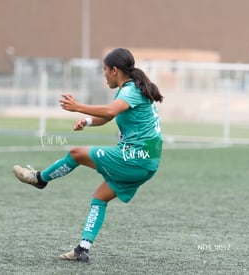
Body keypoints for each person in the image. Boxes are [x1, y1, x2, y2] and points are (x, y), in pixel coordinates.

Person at [13, 48, 163, 263]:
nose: (104, 75)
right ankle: (82, 249)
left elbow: (110, 111)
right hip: (146, 163)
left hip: (136, 157)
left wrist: (77, 107)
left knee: (76, 153)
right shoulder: (131, 89)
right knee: (99, 198)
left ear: (114, 70)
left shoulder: (130, 91)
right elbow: (110, 115)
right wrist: (88, 121)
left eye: (104, 70)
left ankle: (40, 179)